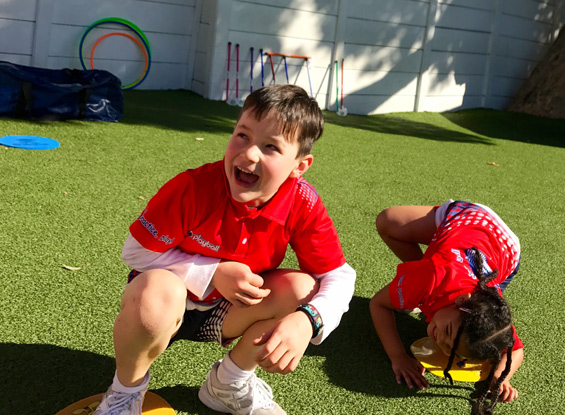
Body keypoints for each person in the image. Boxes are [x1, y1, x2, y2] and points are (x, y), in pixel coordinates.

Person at [93, 85, 356, 415]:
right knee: (156, 291)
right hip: (163, 307)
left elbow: (339, 275)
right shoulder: (194, 187)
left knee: (302, 289)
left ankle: (227, 384)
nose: (249, 154)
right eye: (243, 136)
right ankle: (125, 392)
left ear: (299, 166)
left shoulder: (302, 202)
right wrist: (213, 273)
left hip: (229, 312)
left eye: (271, 146)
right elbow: (135, 252)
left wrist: (309, 321)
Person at [369, 200, 524, 415]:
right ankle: (416, 285)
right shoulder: (429, 278)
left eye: (451, 350)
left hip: (501, 252)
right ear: (461, 301)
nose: (439, 340)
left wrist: (501, 376)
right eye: (448, 331)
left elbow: (516, 350)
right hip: (470, 219)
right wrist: (398, 357)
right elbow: (378, 304)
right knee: (387, 221)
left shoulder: (489, 314)